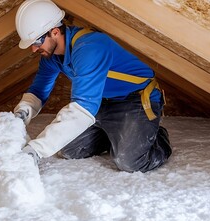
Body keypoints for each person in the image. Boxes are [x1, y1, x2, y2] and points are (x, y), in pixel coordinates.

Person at [13, 0, 172, 173]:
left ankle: (156, 135)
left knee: (130, 162)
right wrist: (22, 113)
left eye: (37, 42)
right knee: (70, 150)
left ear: (55, 32)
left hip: (135, 100)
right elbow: (38, 91)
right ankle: (116, 132)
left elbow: (82, 108)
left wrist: (36, 150)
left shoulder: (90, 47)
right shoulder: (51, 58)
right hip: (102, 101)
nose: (34, 50)